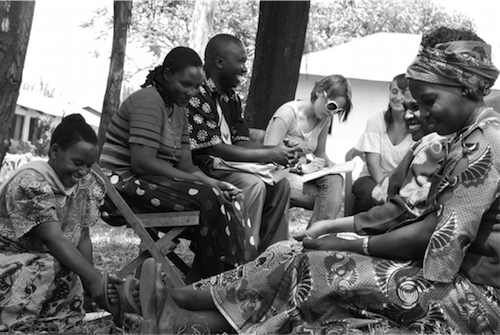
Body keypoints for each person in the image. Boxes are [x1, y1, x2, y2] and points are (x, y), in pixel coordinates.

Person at [111, 26, 500, 334]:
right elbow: (415, 224)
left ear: (465, 86)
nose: (422, 115)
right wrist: (343, 236)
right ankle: (178, 304)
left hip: (472, 293)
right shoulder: (465, 137)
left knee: (316, 268)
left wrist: (347, 242)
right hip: (447, 272)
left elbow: (435, 241)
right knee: (289, 254)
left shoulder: (483, 142)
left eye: (428, 101)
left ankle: (183, 314)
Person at [99, 46, 257, 282]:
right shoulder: (148, 101)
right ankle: (216, 283)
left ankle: (217, 279)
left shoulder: (179, 109)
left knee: (223, 198)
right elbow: (143, 163)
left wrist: (214, 182)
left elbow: (186, 166)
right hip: (119, 189)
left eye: (196, 87)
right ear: (166, 75)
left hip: (146, 184)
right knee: (208, 198)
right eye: (186, 84)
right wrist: (206, 187)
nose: (192, 93)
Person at [0, 115, 127, 331]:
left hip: (47, 260)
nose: (83, 171)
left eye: (89, 166)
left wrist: (91, 283)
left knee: (67, 268)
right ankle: (15, 323)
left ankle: (58, 320)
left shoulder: (84, 183)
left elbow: (83, 236)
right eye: (77, 163)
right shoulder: (31, 181)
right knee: (51, 266)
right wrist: (93, 278)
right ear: (55, 151)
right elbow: (54, 239)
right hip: (9, 262)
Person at [187, 34, 301, 253]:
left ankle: (273, 259)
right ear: (219, 62)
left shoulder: (231, 97)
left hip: (227, 167)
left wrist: (277, 151)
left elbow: (241, 142)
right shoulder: (198, 93)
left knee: (280, 185)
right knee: (253, 184)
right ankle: (238, 258)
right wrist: (269, 155)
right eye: (240, 62)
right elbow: (213, 148)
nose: (245, 69)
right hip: (203, 169)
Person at [295, 89, 448, 239]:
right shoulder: (422, 143)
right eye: (406, 108)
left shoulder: (434, 147)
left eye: (415, 108)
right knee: (365, 192)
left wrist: (333, 230)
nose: (407, 115)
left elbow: (401, 213)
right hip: (378, 187)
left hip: (407, 241)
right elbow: (379, 178)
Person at [263, 75, 353, 226]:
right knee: (328, 196)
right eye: (331, 106)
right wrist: (301, 168)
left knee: (336, 179)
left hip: (302, 175)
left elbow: (320, 153)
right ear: (319, 92)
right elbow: (267, 157)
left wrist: (330, 164)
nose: (331, 113)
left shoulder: (324, 119)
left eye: (337, 111)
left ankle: (314, 237)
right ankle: (316, 240)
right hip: (277, 175)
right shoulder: (287, 115)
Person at [351, 74, 415, 214]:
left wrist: (393, 189)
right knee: (368, 194)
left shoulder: (416, 127)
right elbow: (373, 164)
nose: (398, 97)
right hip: (371, 178)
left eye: (403, 93)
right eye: (394, 91)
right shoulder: (376, 121)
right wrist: (384, 189)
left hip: (401, 182)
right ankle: (355, 233)